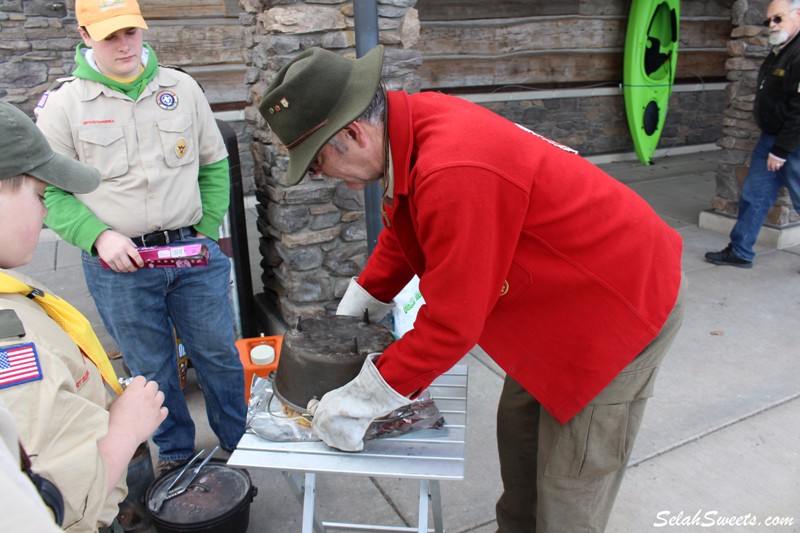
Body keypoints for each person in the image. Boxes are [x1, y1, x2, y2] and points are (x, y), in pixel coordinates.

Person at [261, 46, 686, 532]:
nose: (321, 177)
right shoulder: (412, 132)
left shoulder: (453, 169)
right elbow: (409, 230)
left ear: (353, 134)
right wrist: (362, 303)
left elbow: (450, 323)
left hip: (620, 305)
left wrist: (363, 400)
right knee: (521, 441)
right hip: (554, 304)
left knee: (568, 487)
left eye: (316, 164)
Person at [34, 0, 246, 472]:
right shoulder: (64, 105)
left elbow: (213, 164)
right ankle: (175, 457)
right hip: (118, 264)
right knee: (151, 370)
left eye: (130, 31)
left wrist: (207, 229)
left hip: (192, 252)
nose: (124, 44)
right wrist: (98, 237)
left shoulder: (182, 87)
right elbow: (49, 193)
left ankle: (241, 438)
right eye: (109, 35)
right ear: (85, 35)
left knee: (218, 353)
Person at [0, 99, 167, 532]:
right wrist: (127, 428)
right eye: (38, 195)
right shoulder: (8, 338)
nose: (45, 212)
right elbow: (53, 504)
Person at [705, 0, 800, 269]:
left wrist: (781, 151)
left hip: (791, 144)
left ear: (798, 15)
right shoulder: (782, 50)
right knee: (754, 196)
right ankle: (740, 251)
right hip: (771, 139)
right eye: (768, 20)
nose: (772, 25)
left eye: (778, 19)